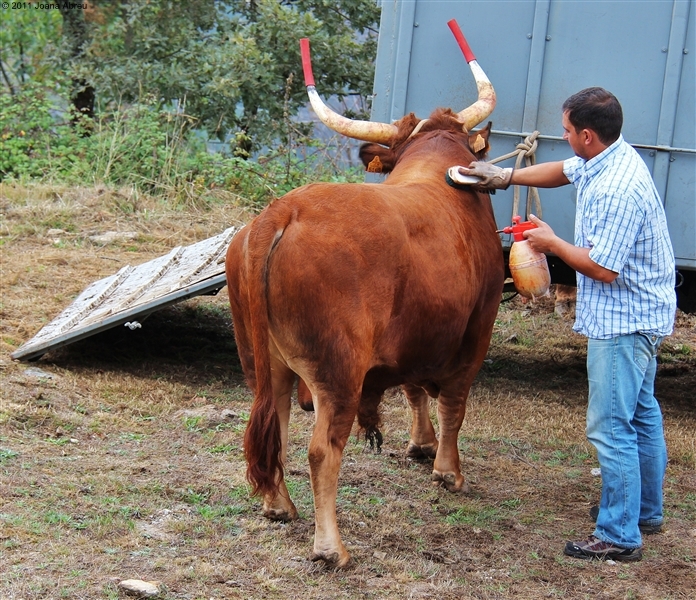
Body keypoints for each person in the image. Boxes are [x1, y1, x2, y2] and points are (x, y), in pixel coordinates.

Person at [450, 87, 677, 562]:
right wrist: (503, 176)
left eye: (568, 130)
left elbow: (602, 269)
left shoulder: (619, 188)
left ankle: (618, 535)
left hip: (625, 320)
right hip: (645, 311)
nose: (563, 136)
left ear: (588, 135)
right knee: (641, 414)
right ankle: (645, 512)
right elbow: (563, 170)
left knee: (611, 426)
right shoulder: (609, 156)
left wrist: (550, 241)